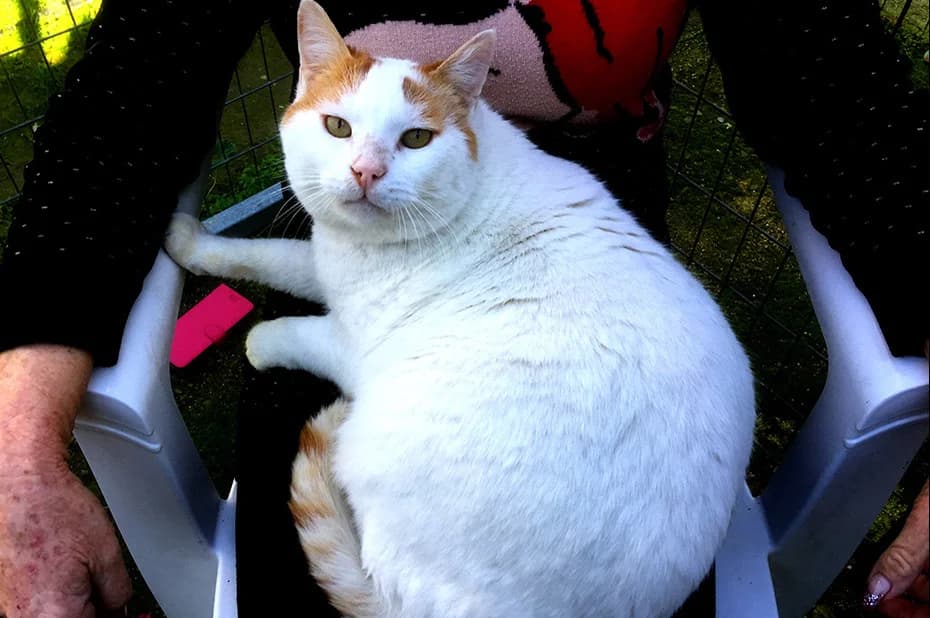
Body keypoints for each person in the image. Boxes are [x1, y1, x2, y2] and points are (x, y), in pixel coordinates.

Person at [0, 1, 926, 615]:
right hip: (457, 364)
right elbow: (124, 105)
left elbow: (846, 101)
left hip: (573, 307)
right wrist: (17, 452)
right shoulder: (361, 158)